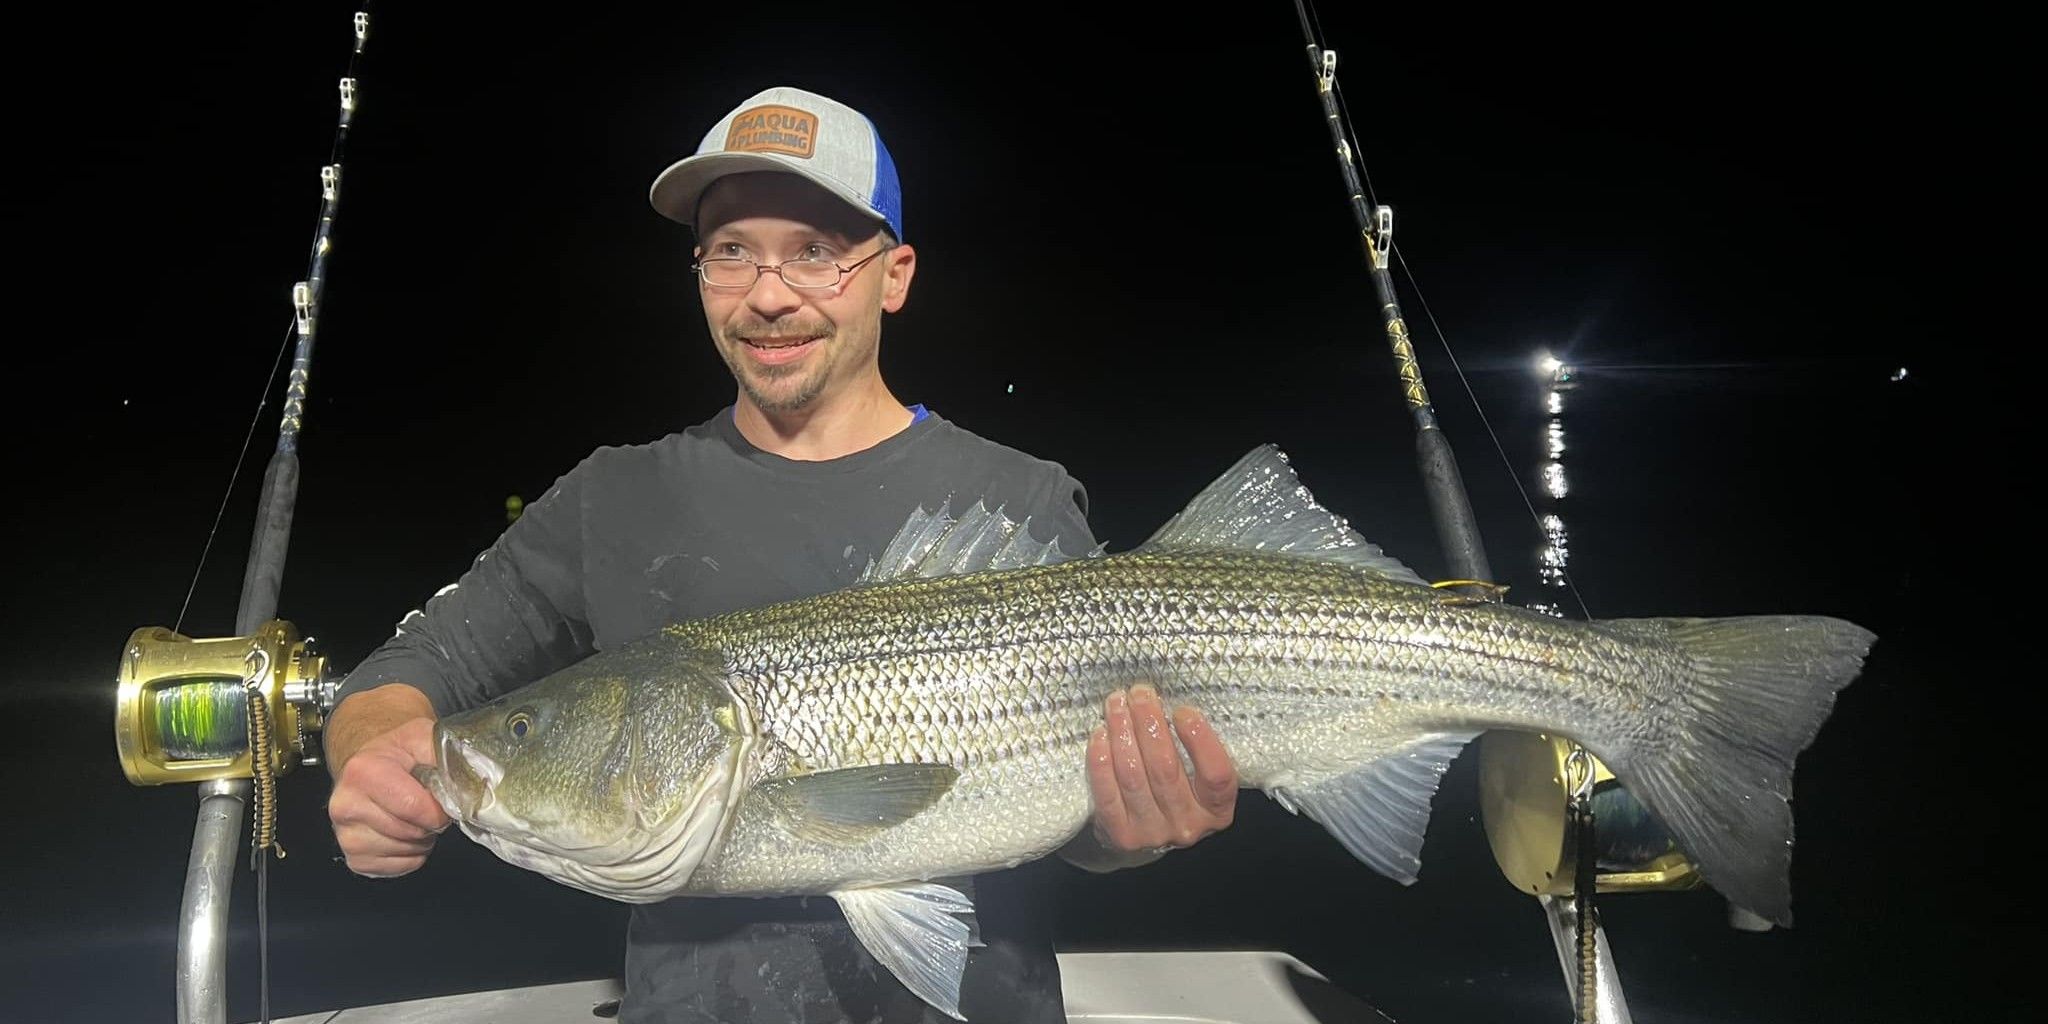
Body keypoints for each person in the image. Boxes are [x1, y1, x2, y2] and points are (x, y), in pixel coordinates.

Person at [322, 85, 1242, 1023]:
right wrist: (372, 758)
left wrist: (1138, 834)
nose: (768, 295)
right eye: (732, 252)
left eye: (816, 252)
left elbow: (1086, 822)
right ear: (701, 273)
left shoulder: (1017, 500)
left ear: (895, 274)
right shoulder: (616, 497)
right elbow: (409, 671)